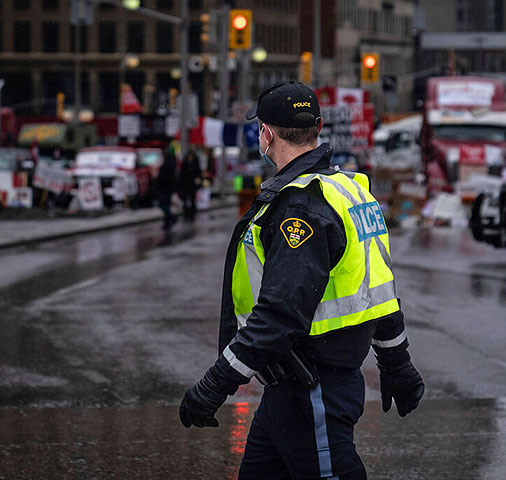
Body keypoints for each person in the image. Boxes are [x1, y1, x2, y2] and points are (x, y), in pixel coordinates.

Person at [179, 81, 424, 479]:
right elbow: (380, 290)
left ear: (266, 134)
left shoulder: (300, 204)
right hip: (290, 393)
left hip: (312, 390)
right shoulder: (350, 190)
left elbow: (280, 315)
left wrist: (215, 385)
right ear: (319, 126)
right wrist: (397, 361)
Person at [155, 142, 178, 231]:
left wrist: (157, 180)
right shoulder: (170, 164)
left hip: (165, 188)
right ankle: (167, 222)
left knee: (163, 205)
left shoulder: (167, 165)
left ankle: (171, 218)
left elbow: (163, 177)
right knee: (166, 205)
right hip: (167, 188)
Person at [179, 150, 202, 222]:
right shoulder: (185, 164)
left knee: (192, 198)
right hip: (186, 184)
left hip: (192, 184)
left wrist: (198, 181)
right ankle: (186, 211)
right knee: (186, 197)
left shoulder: (195, 164)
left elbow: (198, 173)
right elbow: (182, 174)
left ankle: (192, 211)